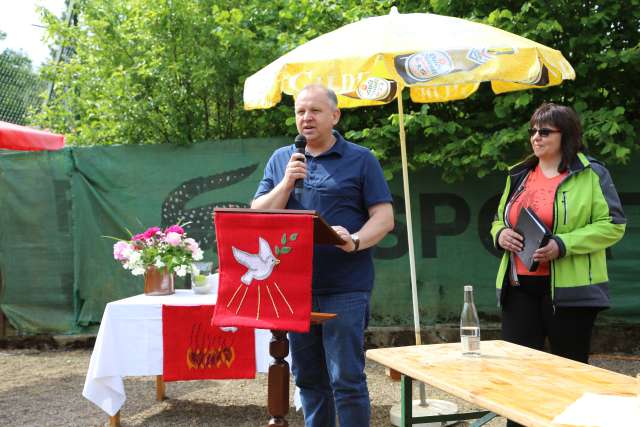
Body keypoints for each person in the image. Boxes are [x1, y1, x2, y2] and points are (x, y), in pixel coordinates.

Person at [251, 84, 394, 427]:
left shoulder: (361, 159)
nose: (306, 118)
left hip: (345, 287)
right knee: (309, 380)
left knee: (346, 380)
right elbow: (257, 213)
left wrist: (355, 240)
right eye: (300, 112)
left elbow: (384, 218)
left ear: (335, 115)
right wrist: (286, 184)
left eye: (314, 111)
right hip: (293, 288)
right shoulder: (282, 158)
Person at [490, 103, 626, 427]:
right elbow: (499, 219)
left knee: (569, 376)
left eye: (545, 131)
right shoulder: (519, 173)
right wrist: (501, 235)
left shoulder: (592, 173)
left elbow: (613, 225)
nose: (536, 137)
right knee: (519, 378)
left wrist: (562, 245)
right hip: (519, 288)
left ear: (566, 135)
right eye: (533, 131)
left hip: (571, 293)